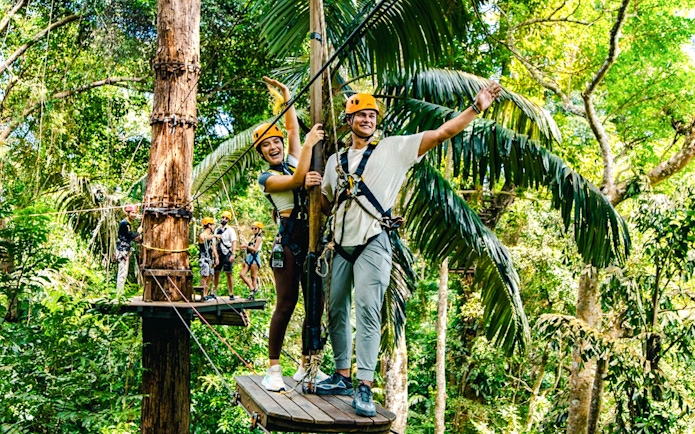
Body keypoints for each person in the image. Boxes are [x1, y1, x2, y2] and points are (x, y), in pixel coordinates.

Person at [317, 84, 502, 416]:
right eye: (361, 115)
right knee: (335, 310)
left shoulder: (393, 149)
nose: (368, 119)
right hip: (340, 244)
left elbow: (442, 132)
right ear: (349, 120)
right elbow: (327, 203)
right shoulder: (335, 161)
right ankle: (341, 374)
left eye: (372, 115)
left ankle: (364, 385)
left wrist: (476, 108)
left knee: (368, 309)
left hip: (373, 241)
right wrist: (313, 185)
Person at [256, 76, 328, 392]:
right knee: (286, 303)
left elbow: (294, 131)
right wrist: (310, 147)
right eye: (266, 146)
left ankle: (306, 365)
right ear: (262, 154)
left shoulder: (292, 160)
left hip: (311, 238)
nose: (273, 147)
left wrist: (286, 98)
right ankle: (273, 368)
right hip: (287, 244)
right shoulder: (268, 178)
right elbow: (298, 181)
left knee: (315, 303)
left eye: (276, 143)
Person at [116, 204, 141, 292]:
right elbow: (130, 236)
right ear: (128, 213)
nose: (134, 215)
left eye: (135, 213)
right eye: (133, 213)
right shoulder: (125, 223)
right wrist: (138, 232)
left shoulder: (128, 223)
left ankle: (120, 293)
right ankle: (119, 294)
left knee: (124, 272)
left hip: (124, 249)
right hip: (122, 250)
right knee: (122, 272)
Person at [213, 210, 238, 300]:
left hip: (227, 252)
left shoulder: (230, 230)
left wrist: (233, 253)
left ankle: (231, 293)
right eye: (223, 217)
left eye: (226, 218)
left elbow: (234, 241)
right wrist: (215, 256)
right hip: (219, 252)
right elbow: (214, 244)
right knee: (216, 273)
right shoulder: (217, 230)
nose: (224, 219)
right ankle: (214, 292)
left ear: (228, 220)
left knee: (229, 273)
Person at [239, 221, 264, 300]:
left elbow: (255, 249)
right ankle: (252, 288)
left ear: (259, 229)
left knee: (253, 277)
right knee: (242, 274)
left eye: (255, 228)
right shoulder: (253, 238)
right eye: (252, 228)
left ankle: (252, 294)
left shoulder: (259, 238)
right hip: (249, 257)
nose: (253, 230)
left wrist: (246, 246)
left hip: (254, 257)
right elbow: (250, 246)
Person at [198, 217, 219, 301]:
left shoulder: (211, 237)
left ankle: (206, 294)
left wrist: (217, 258)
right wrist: (214, 235)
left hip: (210, 258)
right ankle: (202, 294)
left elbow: (213, 248)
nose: (214, 226)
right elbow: (204, 238)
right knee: (205, 276)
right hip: (204, 258)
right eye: (213, 225)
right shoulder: (202, 234)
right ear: (209, 225)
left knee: (210, 276)